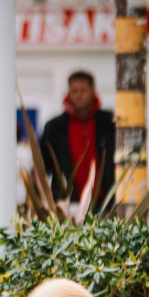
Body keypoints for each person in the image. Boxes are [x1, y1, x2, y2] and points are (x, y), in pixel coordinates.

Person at [39, 71, 115, 206]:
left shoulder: (110, 123)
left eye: (83, 90)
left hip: (106, 205)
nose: (79, 95)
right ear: (68, 93)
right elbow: (42, 168)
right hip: (68, 206)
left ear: (93, 91)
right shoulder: (55, 127)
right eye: (74, 91)